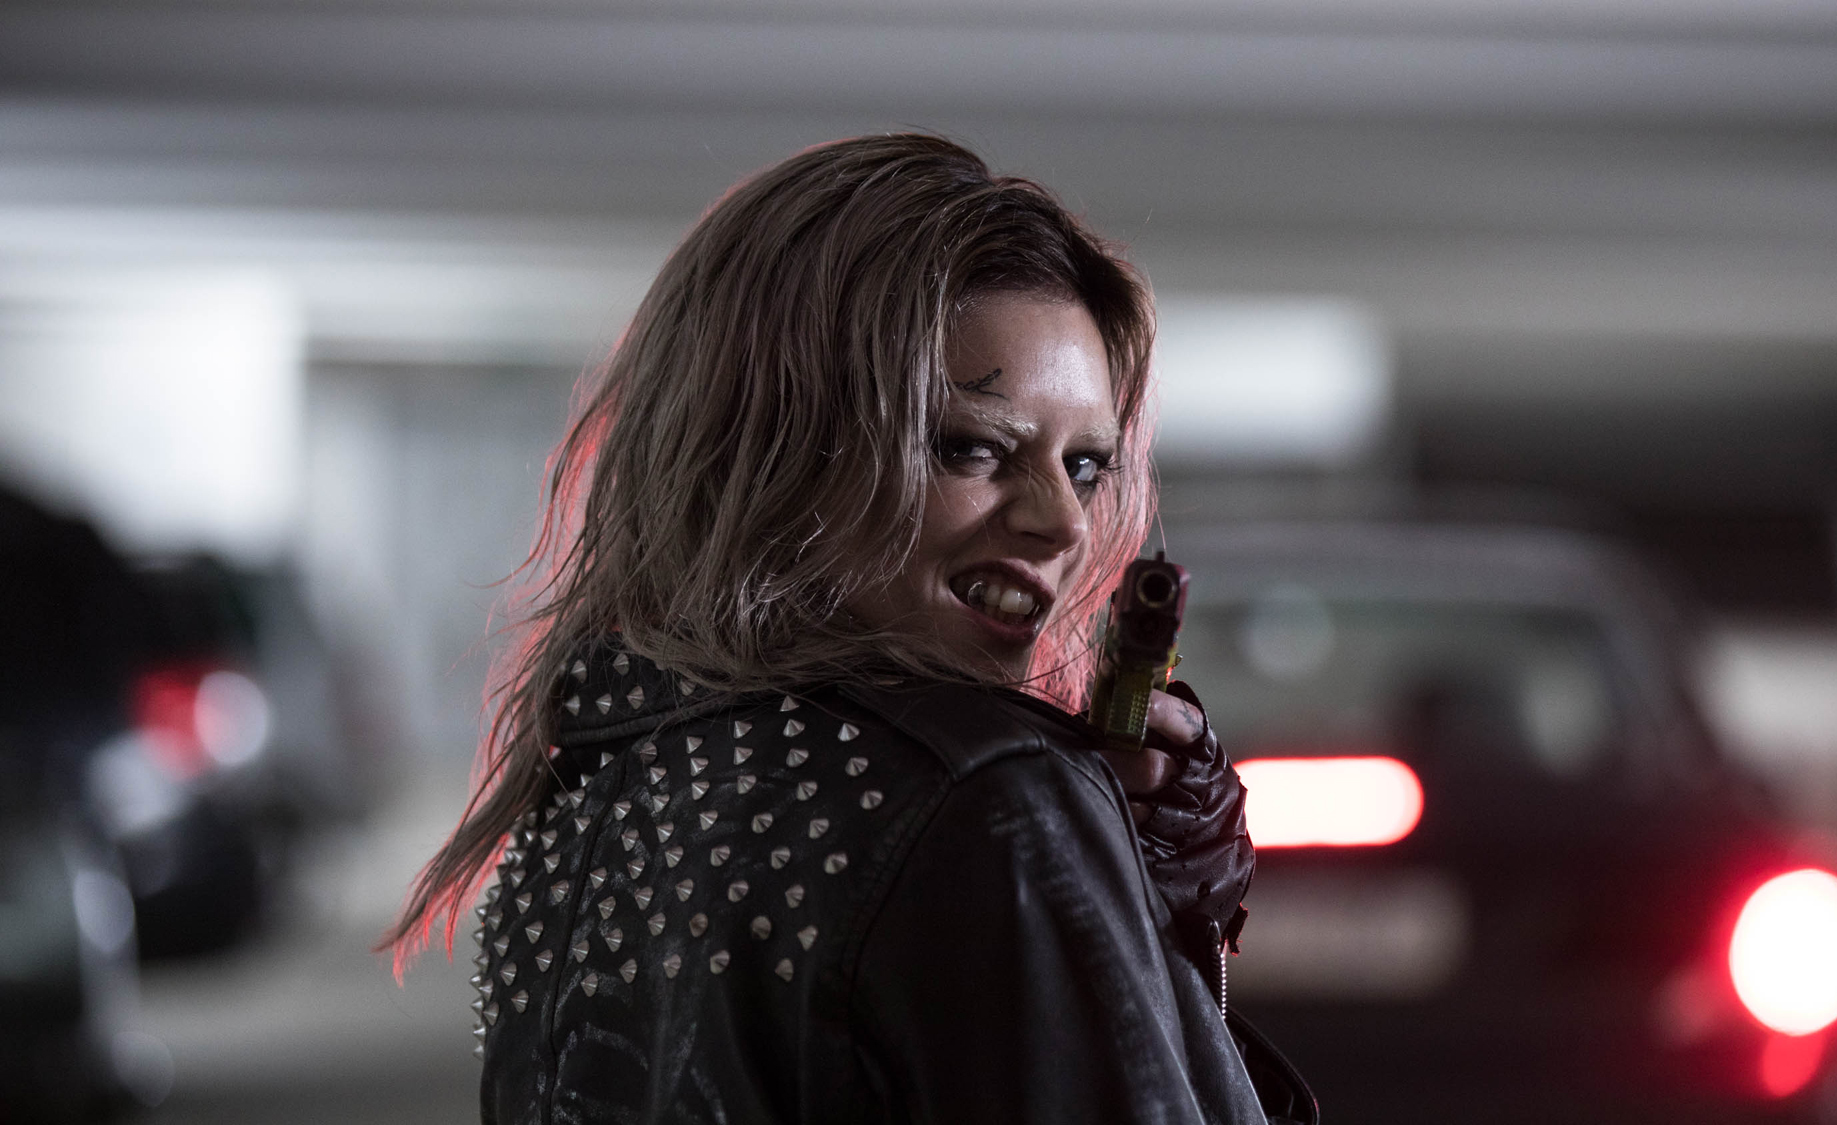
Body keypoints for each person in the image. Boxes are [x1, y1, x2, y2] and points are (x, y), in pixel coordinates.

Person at [389, 134, 1315, 1124]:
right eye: (972, 447)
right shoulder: (982, 795)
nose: (1064, 522)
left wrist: (1135, 888)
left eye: (1085, 466)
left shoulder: (588, 782)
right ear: (773, 446)